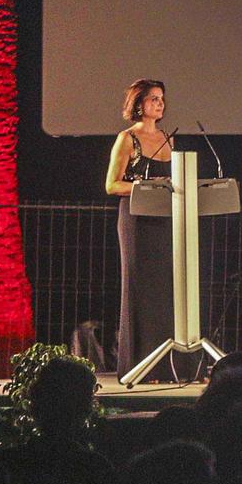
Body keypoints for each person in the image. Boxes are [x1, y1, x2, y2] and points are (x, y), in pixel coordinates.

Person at [105, 77, 182, 378]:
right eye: (153, 98)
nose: (160, 103)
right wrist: (144, 186)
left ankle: (167, 364)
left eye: (162, 98)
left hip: (165, 220)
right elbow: (111, 184)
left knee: (165, 290)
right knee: (140, 290)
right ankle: (138, 365)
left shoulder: (168, 138)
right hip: (137, 219)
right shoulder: (127, 139)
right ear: (139, 104)